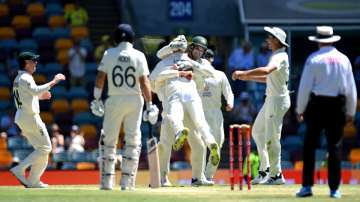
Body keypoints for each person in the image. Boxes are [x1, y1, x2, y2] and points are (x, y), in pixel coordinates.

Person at [90, 24, 158, 190]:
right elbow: (144, 82)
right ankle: (127, 183)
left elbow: (100, 76)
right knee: (133, 141)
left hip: (114, 99)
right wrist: (150, 104)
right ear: (131, 38)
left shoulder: (109, 53)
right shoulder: (139, 55)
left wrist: (97, 98)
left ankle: (106, 183)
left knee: (109, 141)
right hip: (134, 100)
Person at [150, 35, 220, 186]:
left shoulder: (167, 62)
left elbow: (152, 80)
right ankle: (209, 145)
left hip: (174, 102)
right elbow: (211, 74)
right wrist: (185, 73)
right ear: (190, 48)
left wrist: (161, 86)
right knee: (198, 140)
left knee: (166, 143)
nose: (199, 51)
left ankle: (168, 178)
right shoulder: (191, 62)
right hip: (191, 100)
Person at [295, 26, 357, 198]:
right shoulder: (344, 60)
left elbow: (305, 87)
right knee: (335, 148)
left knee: (309, 146)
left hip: (317, 105)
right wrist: (351, 111)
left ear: (318, 41)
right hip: (337, 105)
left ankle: (307, 186)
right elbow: (351, 88)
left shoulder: (314, 59)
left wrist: (300, 109)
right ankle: (334, 189)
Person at [232, 26, 291, 185]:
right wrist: (248, 78)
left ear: (278, 41)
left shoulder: (280, 56)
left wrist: (244, 73)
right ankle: (265, 171)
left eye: (270, 38)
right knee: (258, 132)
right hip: (271, 99)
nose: (267, 41)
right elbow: (268, 79)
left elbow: (266, 71)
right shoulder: (276, 56)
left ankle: (276, 174)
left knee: (272, 137)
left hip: (277, 100)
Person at [10, 51, 66, 188]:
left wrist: (41, 97)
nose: (36, 63)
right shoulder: (25, 77)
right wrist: (54, 81)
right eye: (33, 61)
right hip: (30, 117)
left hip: (23, 117)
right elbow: (34, 91)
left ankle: (33, 181)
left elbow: (29, 95)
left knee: (42, 150)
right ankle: (19, 169)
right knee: (46, 147)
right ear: (26, 63)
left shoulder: (19, 78)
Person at [198, 48, 234, 182]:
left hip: (215, 112)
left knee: (218, 143)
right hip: (199, 112)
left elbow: (228, 92)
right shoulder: (196, 72)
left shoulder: (220, 75)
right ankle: (199, 175)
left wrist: (230, 102)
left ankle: (208, 175)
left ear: (211, 59)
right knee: (200, 144)